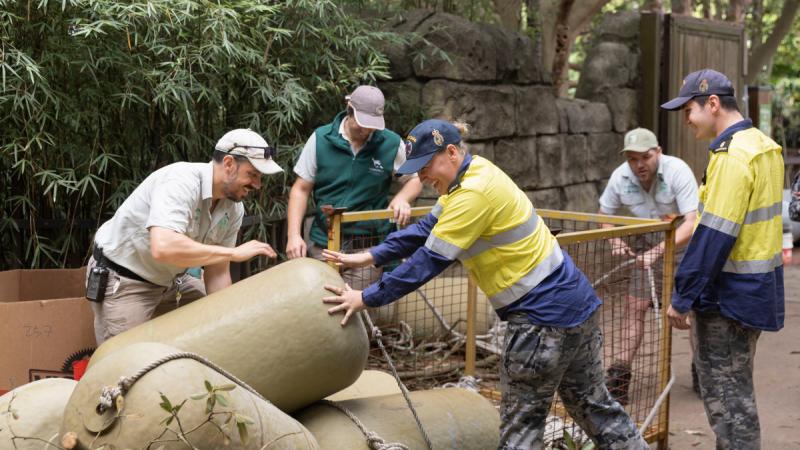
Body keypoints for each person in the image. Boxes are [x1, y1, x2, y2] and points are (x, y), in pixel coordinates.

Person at [321, 119, 648, 449]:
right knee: (596, 408)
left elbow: (427, 262)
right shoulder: (474, 173)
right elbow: (425, 229)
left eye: (425, 166)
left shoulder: (471, 195)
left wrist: (364, 297)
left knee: (520, 432)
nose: (420, 177)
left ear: (451, 152)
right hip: (577, 306)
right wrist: (371, 256)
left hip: (540, 322)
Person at [662, 69, 784, 449]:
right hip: (754, 292)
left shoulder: (733, 157)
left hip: (727, 299)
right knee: (736, 394)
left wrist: (683, 296)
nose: (686, 119)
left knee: (729, 405)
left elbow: (714, 236)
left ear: (712, 104)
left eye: (689, 109)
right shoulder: (763, 146)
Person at [86, 129, 281, 345]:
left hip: (173, 281)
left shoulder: (233, 209)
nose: (257, 185)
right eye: (252, 174)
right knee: (126, 364)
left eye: (259, 178)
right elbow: (164, 247)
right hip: (126, 279)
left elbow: (217, 273)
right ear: (228, 164)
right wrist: (233, 253)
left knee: (207, 335)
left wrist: (228, 323)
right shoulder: (181, 182)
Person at [286, 85, 422, 290]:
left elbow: (415, 179)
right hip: (324, 241)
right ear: (349, 110)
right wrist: (293, 235)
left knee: (354, 306)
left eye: (372, 125)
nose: (366, 130)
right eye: (361, 124)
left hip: (366, 246)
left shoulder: (391, 143)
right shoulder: (321, 139)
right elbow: (301, 189)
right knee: (320, 305)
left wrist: (402, 198)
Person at [597, 127, 698, 404]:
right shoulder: (621, 177)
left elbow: (692, 222)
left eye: (645, 156)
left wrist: (658, 251)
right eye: (633, 158)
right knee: (635, 307)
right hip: (646, 245)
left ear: (658, 152)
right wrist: (614, 239)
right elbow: (604, 214)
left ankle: (701, 368)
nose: (639, 164)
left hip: (683, 246)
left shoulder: (677, 171)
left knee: (690, 313)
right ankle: (619, 375)